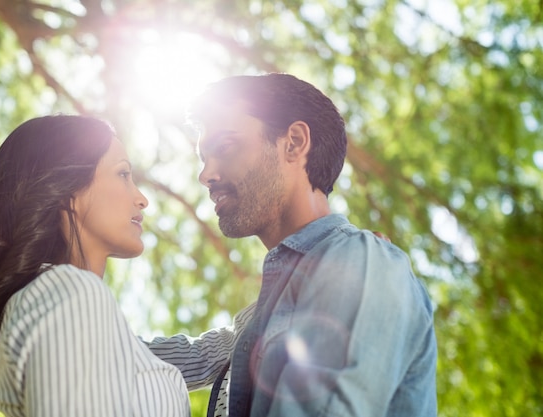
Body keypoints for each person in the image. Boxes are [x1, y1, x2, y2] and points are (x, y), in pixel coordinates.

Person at [151, 73, 437, 417]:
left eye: (225, 148)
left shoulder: (359, 263)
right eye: (203, 159)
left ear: (294, 142)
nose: (206, 174)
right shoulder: (262, 315)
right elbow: (147, 359)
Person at [0, 115, 194, 417]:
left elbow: (164, 359)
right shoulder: (71, 293)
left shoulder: (58, 303)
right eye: (123, 174)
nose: (141, 199)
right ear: (69, 192)